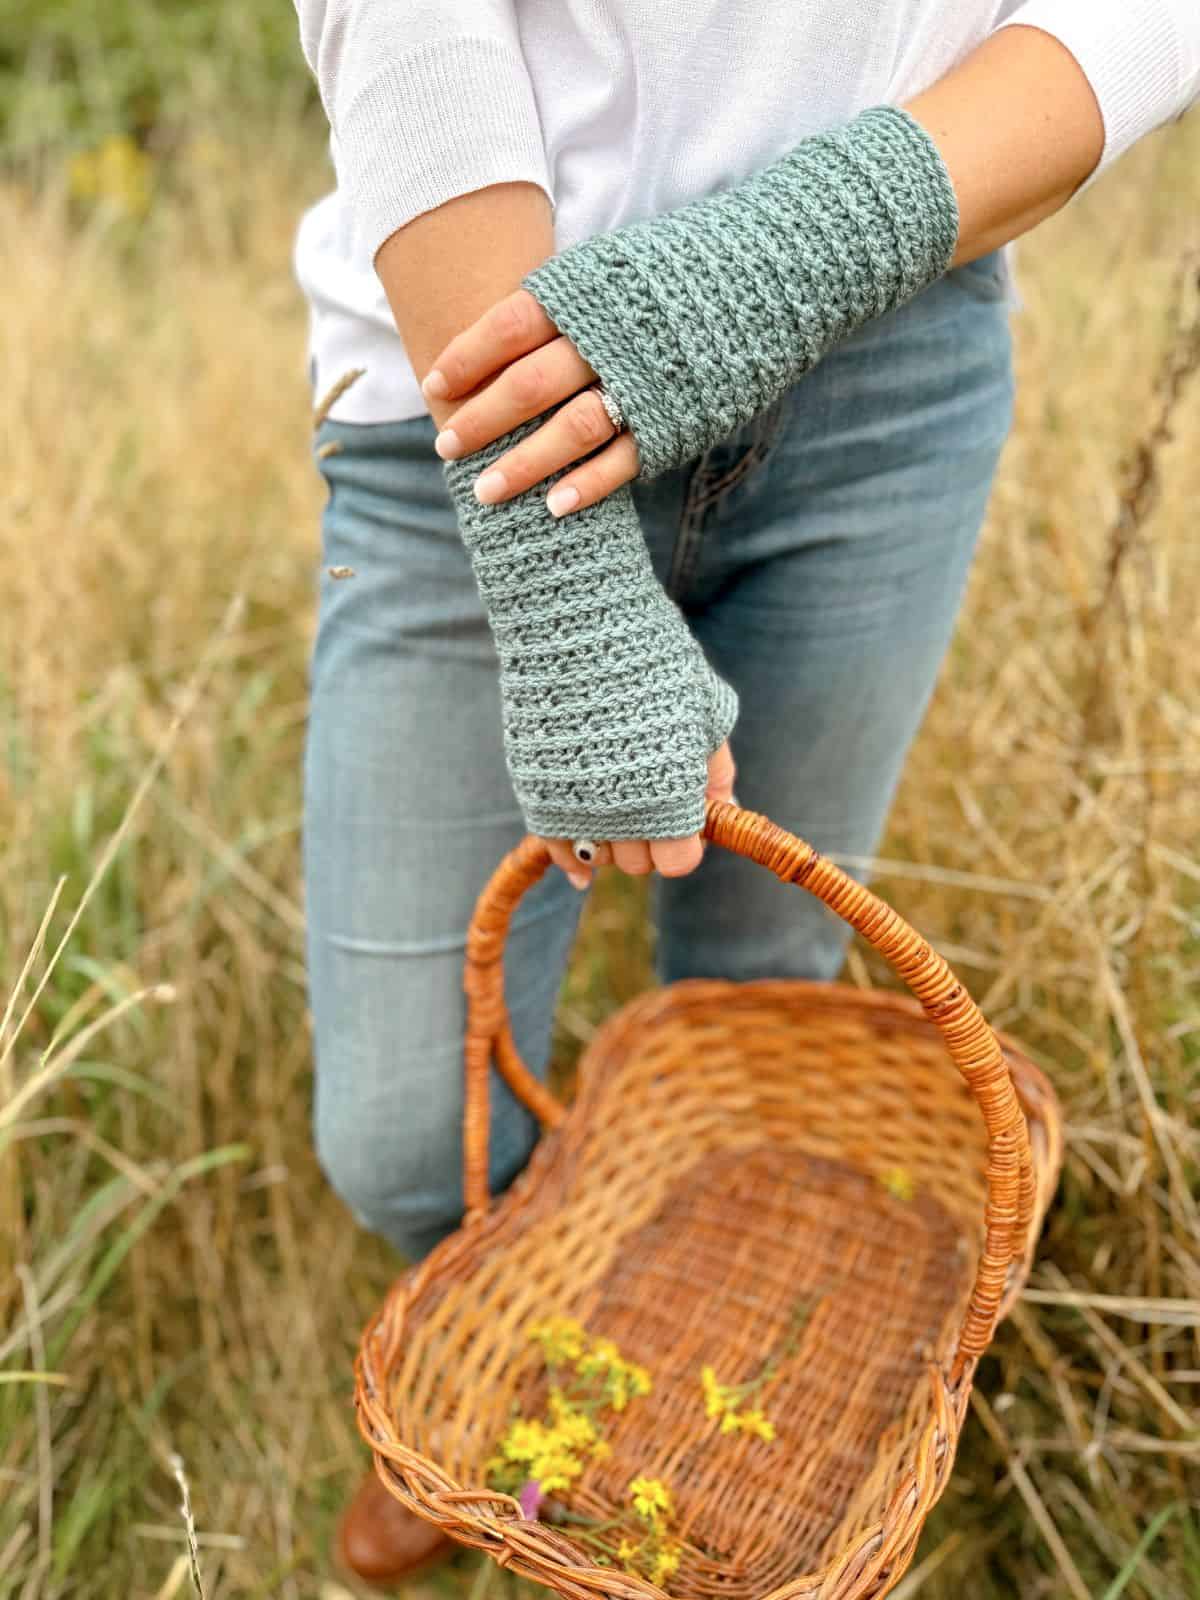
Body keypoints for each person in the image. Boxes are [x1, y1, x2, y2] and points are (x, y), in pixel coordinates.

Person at [291, 1, 1198, 1585]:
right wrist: (554, 558)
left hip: (881, 360)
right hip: (470, 356)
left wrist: (799, 242)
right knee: (398, 1132)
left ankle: (675, 1435)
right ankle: (506, 1367)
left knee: (762, 1003)